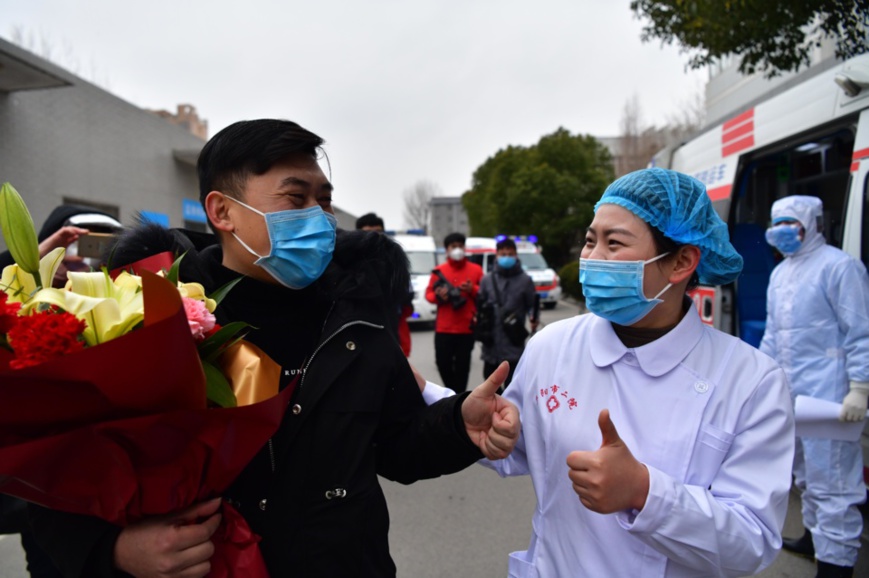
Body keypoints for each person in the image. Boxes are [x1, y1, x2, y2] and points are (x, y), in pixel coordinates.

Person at [28, 119, 520, 578]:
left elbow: (398, 447)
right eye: (295, 198)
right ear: (222, 211)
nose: (319, 217)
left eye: (323, 201)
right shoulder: (141, 313)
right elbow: (53, 480)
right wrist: (116, 551)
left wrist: (457, 425)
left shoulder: (357, 316)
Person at [483, 168, 795, 577]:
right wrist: (470, 421)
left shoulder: (751, 382)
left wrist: (645, 493)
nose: (592, 258)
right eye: (591, 240)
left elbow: (752, 542)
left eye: (614, 244)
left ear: (682, 261)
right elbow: (519, 447)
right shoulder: (552, 346)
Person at [1, 204, 121, 578]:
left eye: (97, 247)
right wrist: (33, 260)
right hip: (39, 503)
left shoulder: (117, 303)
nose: (82, 260)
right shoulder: (17, 304)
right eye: (70, 247)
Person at [760, 195, 869, 578]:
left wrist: (861, 386)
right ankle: (812, 538)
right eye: (778, 223)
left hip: (831, 396)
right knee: (805, 475)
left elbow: (861, 331)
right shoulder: (781, 273)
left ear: (812, 223)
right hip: (794, 395)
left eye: (792, 222)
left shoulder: (840, 267)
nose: (783, 231)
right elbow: (774, 336)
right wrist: (762, 379)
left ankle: (836, 566)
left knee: (835, 484)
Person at [425, 232, 484, 393]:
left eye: (460, 246)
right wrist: (439, 296)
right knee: (442, 363)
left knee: (462, 366)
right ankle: (452, 393)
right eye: (453, 246)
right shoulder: (438, 271)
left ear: (464, 248)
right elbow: (428, 294)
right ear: (446, 249)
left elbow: (485, 294)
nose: (457, 249)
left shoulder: (476, 270)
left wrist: (472, 289)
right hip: (444, 328)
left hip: (467, 327)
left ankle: (458, 398)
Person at [477, 238, 538, 386]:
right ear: (496, 255)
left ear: (516, 255)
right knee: (490, 389)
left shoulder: (525, 280)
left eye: (510, 254)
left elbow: (533, 305)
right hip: (491, 345)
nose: (506, 257)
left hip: (514, 343)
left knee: (513, 389)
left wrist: (534, 320)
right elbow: (479, 305)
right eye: (503, 254)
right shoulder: (487, 280)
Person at [354, 211, 414, 356]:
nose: (375, 238)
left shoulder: (395, 262)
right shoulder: (349, 262)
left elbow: (406, 296)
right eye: (368, 233)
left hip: (392, 329)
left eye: (378, 233)